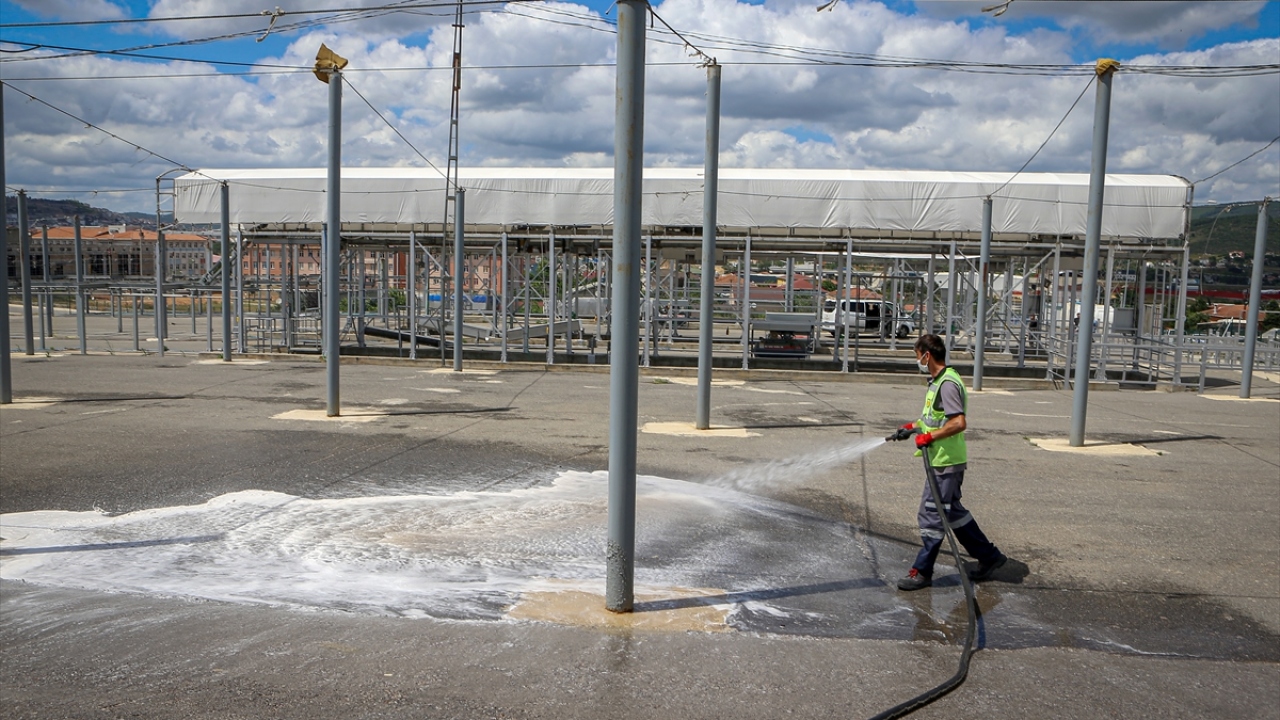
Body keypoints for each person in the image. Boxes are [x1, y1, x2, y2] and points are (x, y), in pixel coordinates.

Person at [890, 333, 1006, 591]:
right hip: (943, 460)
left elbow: (958, 422)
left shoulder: (947, 384)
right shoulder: (937, 382)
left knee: (932, 514)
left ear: (926, 355)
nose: (917, 360)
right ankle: (989, 556)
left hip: (946, 462)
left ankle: (922, 571)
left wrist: (929, 436)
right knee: (951, 511)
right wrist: (913, 427)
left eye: (917, 356)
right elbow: (935, 418)